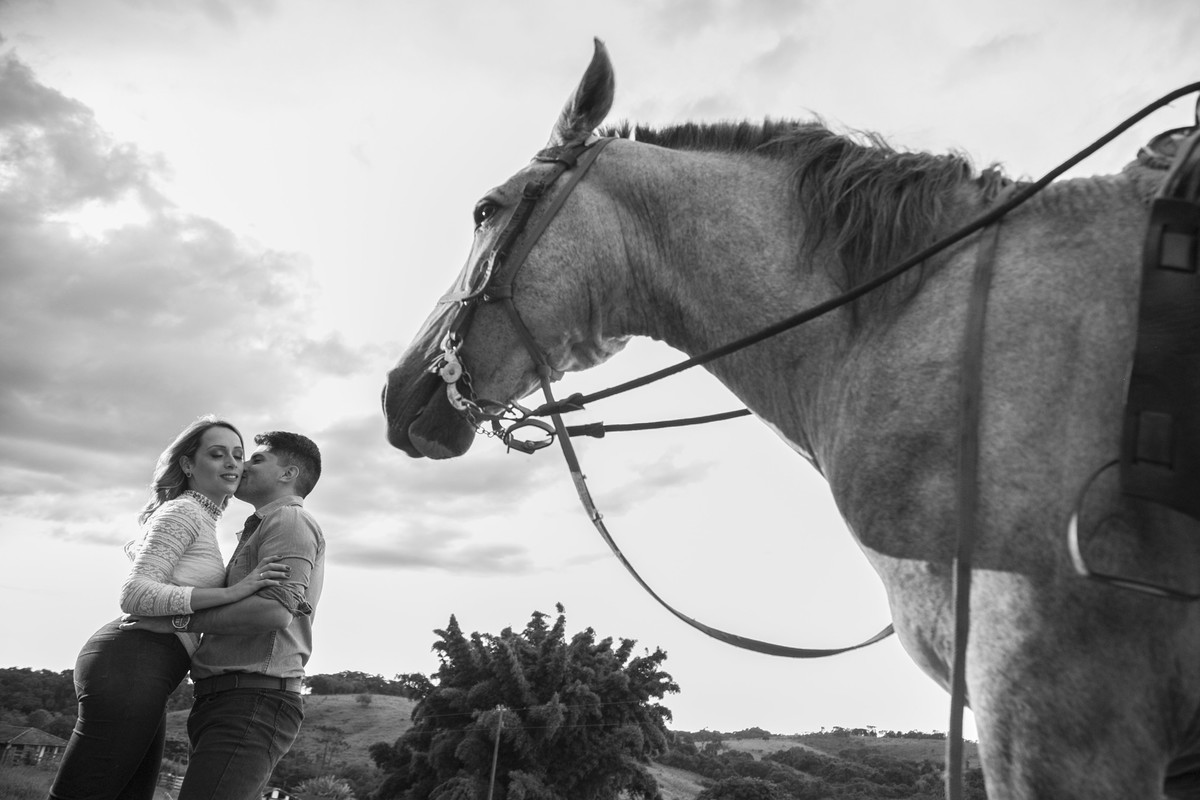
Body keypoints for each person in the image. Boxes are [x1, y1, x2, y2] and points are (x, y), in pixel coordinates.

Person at [49, 416, 289, 800]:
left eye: (238, 455)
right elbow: (135, 594)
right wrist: (233, 592)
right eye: (217, 454)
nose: (232, 463)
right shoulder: (183, 513)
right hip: (131, 660)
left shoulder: (204, 521)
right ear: (188, 465)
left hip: (149, 670)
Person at [120, 430, 325, 800]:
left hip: (253, 699)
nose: (243, 465)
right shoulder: (261, 527)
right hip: (229, 698)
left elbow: (274, 612)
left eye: (257, 459)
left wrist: (178, 621)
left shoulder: (290, 522)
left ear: (288, 474)